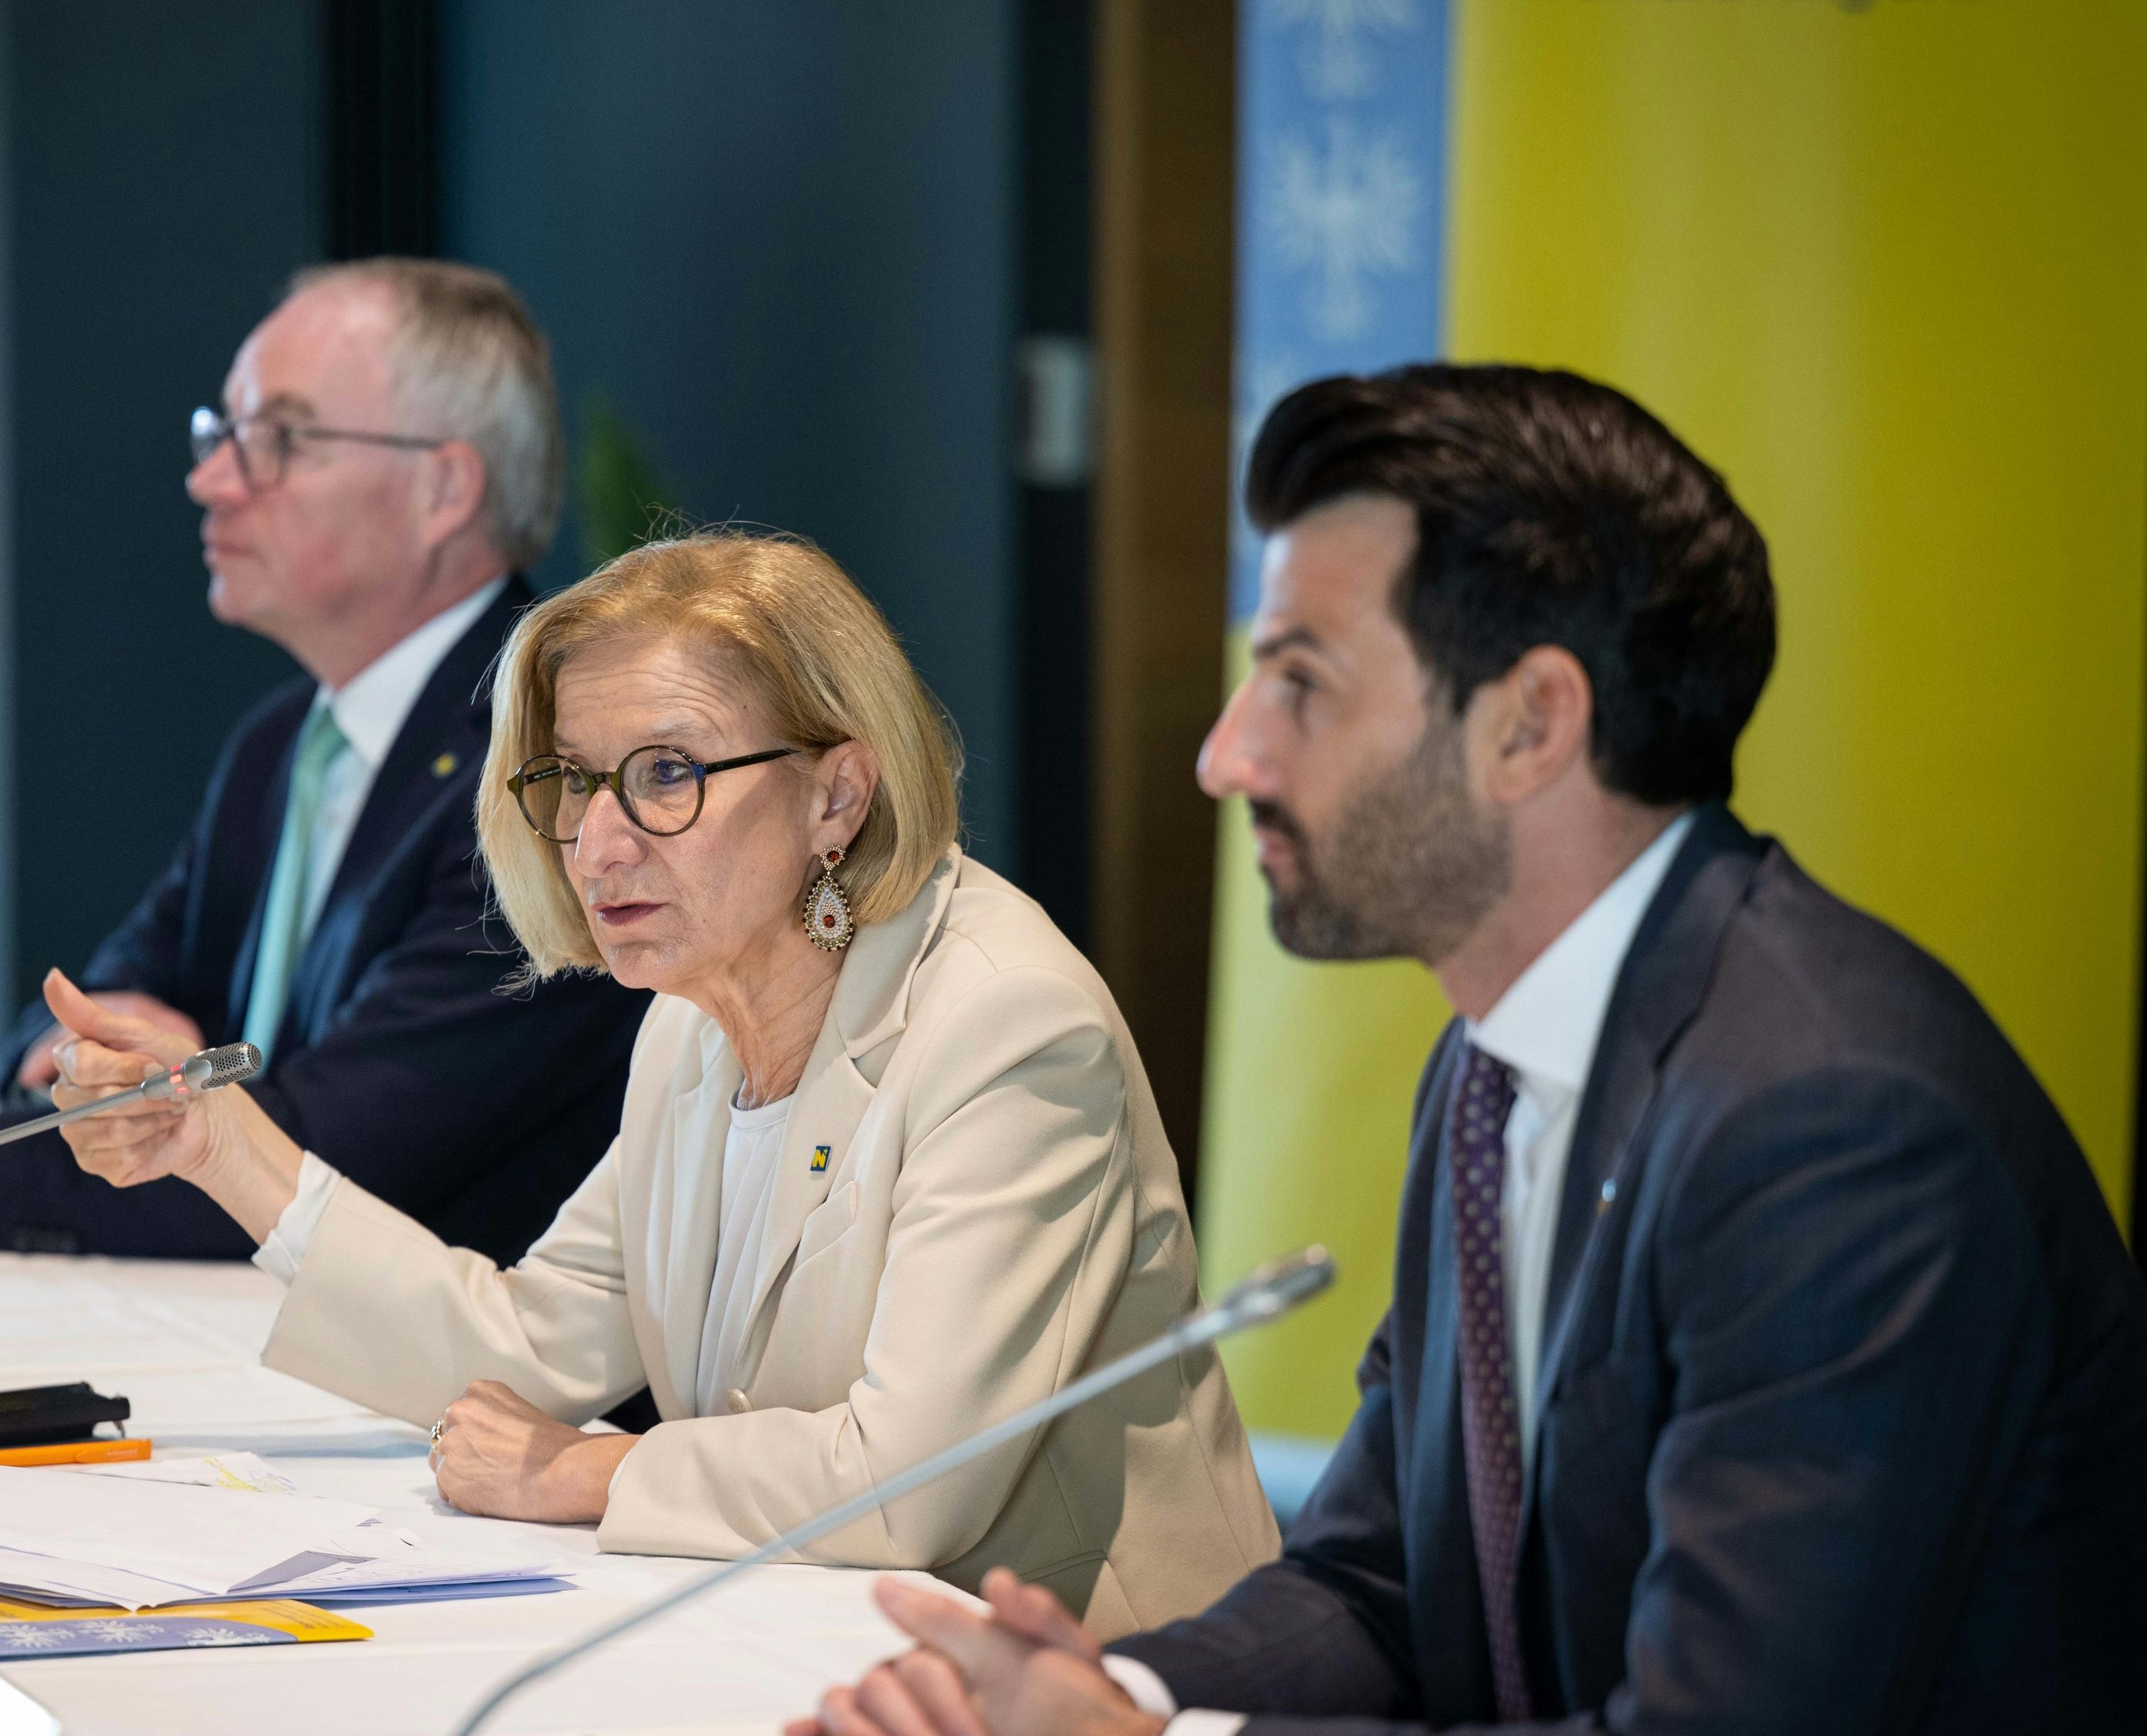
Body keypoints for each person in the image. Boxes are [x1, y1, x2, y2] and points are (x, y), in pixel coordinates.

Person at [794, 364, 2147, 1736]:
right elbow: (1385, 1579)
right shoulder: (1494, 1067)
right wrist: (1113, 1690)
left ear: (1532, 723)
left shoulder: (1830, 1123)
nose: (1224, 753)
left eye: (1299, 681)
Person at [29, 532, 1279, 1628]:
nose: (598, 839)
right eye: (574, 779)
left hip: (1085, 1672)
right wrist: (220, 1147)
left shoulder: (1004, 1023)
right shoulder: (689, 1020)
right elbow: (527, 1346)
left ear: (837, 794)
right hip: (807, 1629)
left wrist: (590, 1471)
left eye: (669, 774)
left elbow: (914, 1477)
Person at [0, 259, 649, 1263]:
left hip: (453, 1401)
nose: (209, 480)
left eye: (277, 439)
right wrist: (92, 1053)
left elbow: (316, 1166)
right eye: (220, 435)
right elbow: (79, 1010)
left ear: (444, 487)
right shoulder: (282, 741)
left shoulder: (555, 771)